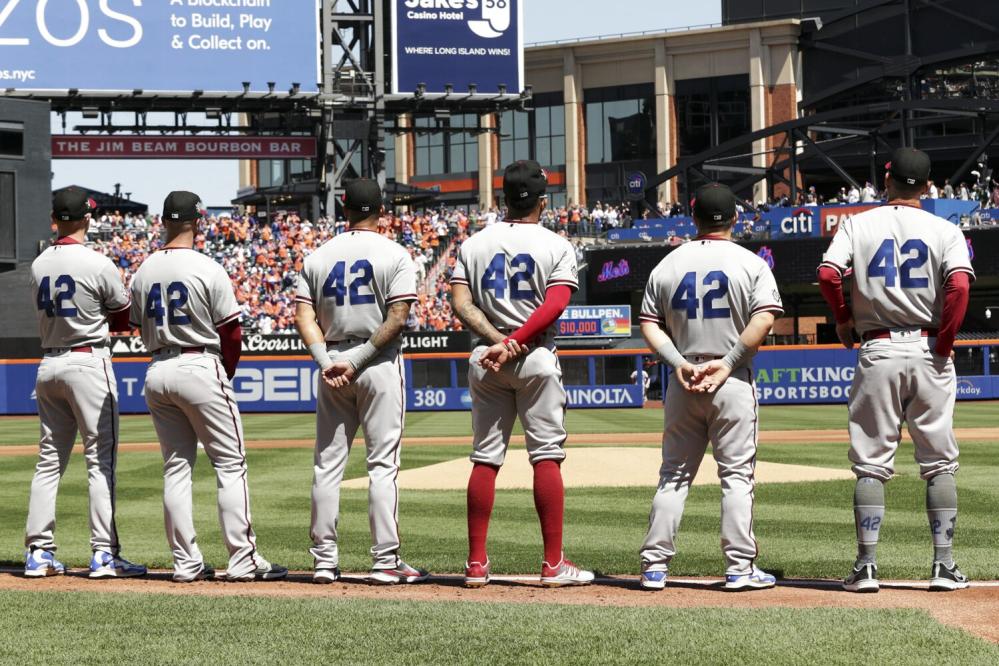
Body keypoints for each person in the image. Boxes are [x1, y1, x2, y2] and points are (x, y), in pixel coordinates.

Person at [818, 148, 974, 593]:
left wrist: (843, 318)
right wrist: (944, 342)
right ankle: (943, 567)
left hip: (878, 347)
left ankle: (866, 567)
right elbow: (959, 285)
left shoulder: (857, 223)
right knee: (940, 461)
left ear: (887, 181)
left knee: (871, 463)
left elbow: (829, 275)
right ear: (928, 185)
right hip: (928, 347)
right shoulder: (945, 229)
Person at [130, 191, 287, 583]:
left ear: (164, 221)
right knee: (230, 464)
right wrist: (226, 371)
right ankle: (243, 559)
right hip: (199, 362)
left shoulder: (143, 270)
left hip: (157, 367)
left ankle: (185, 562)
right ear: (198, 221)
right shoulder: (207, 266)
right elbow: (231, 332)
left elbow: (134, 323)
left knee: (176, 468)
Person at [451, 160, 594, 588]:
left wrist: (497, 340)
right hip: (534, 356)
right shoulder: (556, 243)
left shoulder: (475, 243)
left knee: (485, 457)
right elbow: (555, 304)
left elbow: (461, 303)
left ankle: (476, 564)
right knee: (546, 455)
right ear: (544, 202)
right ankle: (553, 565)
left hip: (485, 357)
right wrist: (515, 342)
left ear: (502, 200)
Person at [637, 183, 783, 591]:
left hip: (684, 379)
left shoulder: (667, 264)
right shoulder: (750, 263)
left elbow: (649, 323)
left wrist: (679, 364)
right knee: (736, 476)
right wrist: (730, 361)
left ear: (693, 217)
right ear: (735, 218)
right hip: (730, 379)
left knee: (673, 476)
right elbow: (764, 319)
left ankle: (654, 566)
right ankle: (739, 568)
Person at [294, 179, 428, 585]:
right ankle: (385, 561)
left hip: (332, 360)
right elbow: (398, 317)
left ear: (344, 207)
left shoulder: (317, 255)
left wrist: (328, 361)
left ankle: (323, 560)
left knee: (327, 465)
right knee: (382, 465)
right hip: (376, 363)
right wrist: (359, 359)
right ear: (382, 211)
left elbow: (303, 316)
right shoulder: (394, 253)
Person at [24, 188, 147, 579]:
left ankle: (38, 553)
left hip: (49, 363)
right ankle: (104, 554)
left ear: (55, 219)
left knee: (48, 463)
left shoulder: (39, 264)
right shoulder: (98, 262)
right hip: (87, 360)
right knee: (99, 461)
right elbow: (124, 317)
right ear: (87, 219)